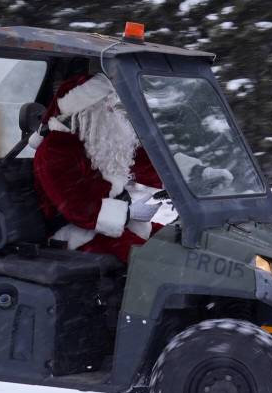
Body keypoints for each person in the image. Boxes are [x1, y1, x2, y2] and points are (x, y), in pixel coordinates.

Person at [32, 72, 172, 263]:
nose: (113, 110)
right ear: (85, 112)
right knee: (155, 261)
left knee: (178, 244)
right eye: (105, 106)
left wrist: (192, 177)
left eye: (111, 104)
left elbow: (148, 162)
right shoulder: (55, 150)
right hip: (78, 232)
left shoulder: (102, 139)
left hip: (117, 224)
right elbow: (79, 208)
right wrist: (129, 212)